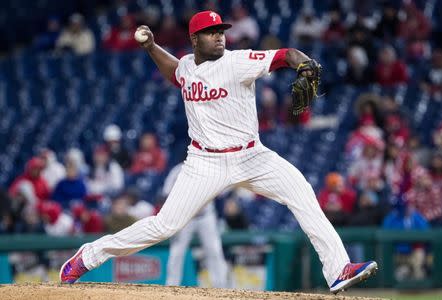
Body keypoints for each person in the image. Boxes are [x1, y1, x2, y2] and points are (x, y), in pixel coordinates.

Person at [60, 11, 377, 294]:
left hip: (253, 156)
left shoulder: (237, 62)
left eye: (221, 31)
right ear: (195, 39)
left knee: (301, 191)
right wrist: (150, 47)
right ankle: (88, 256)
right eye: (212, 32)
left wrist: (303, 64)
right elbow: (176, 73)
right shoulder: (187, 65)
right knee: (164, 226)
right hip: (205, 162)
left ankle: (338, 270)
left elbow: (285, 55)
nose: (219, 36)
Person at [162, 162, 227, 288]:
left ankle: (221, 287)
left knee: (214, 249)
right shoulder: (177, 171)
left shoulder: (210, 168)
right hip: (185, 217)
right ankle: (171, 286)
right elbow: (165, 193)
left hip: (206, 216)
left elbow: (222, 193)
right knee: (177, 251)